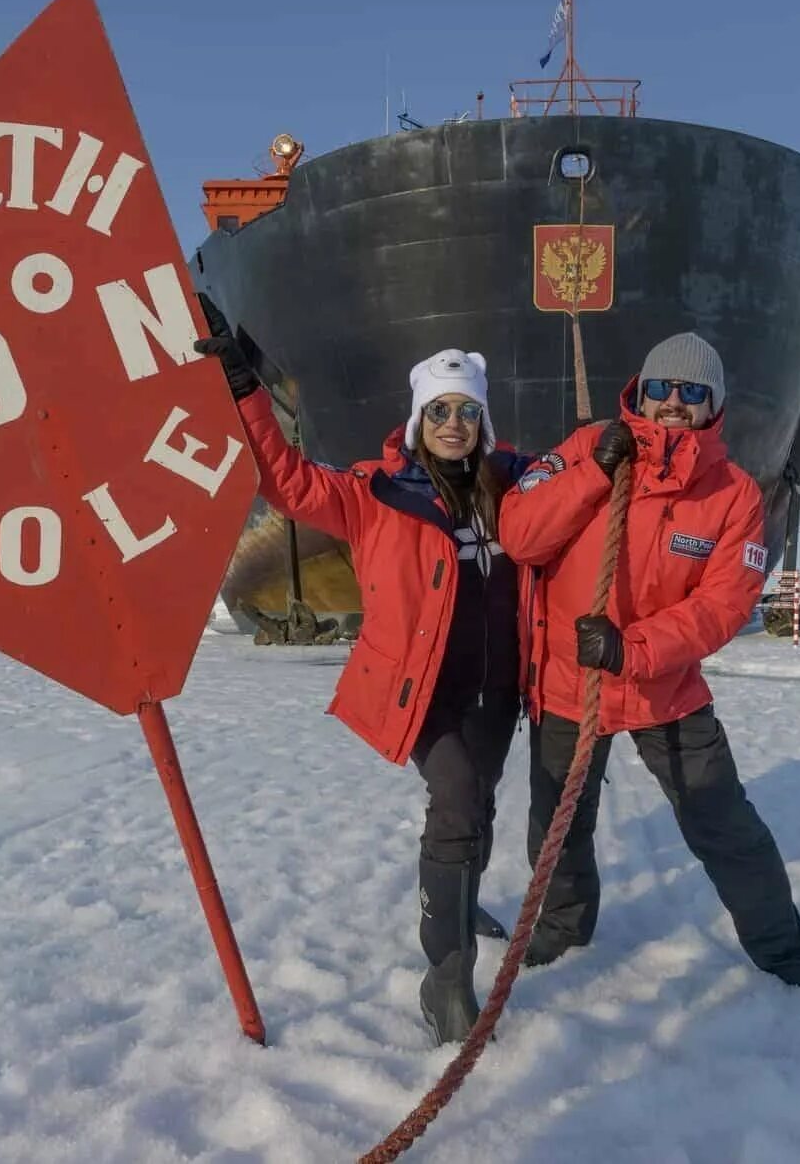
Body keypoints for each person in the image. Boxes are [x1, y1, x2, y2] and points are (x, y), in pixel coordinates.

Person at [196, 297, 538, 1043]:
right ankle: (445, 976)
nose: (455, 424)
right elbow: (284, 481)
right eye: (440, 411)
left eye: (467, 412)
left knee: (477, 804)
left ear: (483, 422)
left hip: (497, 688)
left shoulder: (514, 483)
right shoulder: (373, 494)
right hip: (427, 694)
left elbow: (581, 489)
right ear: (419, 422)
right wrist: (243, 385)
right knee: (454, 802)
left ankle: (461, 895)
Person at [499, 331, 800, 1009]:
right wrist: (593, 475)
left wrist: (633, 649)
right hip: (569, 682)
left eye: (692, 393)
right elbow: (520, 534)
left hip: (664, 686)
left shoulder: (733, 495)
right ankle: (563, 930)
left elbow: (723, 605)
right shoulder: (585, 448)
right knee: (557, 826)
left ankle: (787, 954)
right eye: (661, 388)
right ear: (640, 390)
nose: (672, 403)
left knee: (725, 825)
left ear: (713, 405)